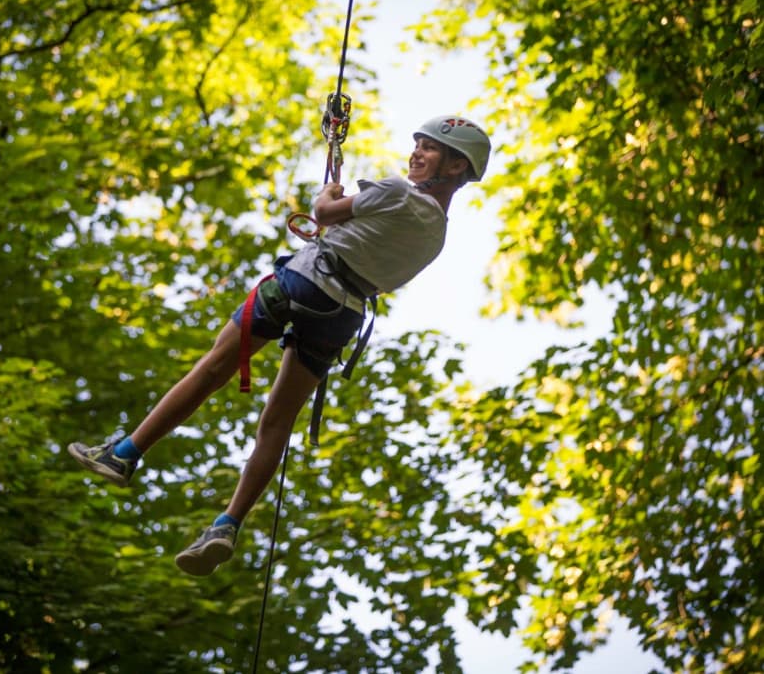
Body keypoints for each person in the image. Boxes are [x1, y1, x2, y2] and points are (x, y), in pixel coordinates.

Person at [68, 115, 491, 576]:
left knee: (213, 369)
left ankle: (124, 454)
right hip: (342, 315)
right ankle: (228, 524)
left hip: (304, 282)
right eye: (419, 144)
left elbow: (325, 215)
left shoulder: (395, 191)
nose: (417, 153)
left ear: (453, 167)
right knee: (277, 422)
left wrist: (326, 196)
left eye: (429, 149)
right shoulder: (436, 235)